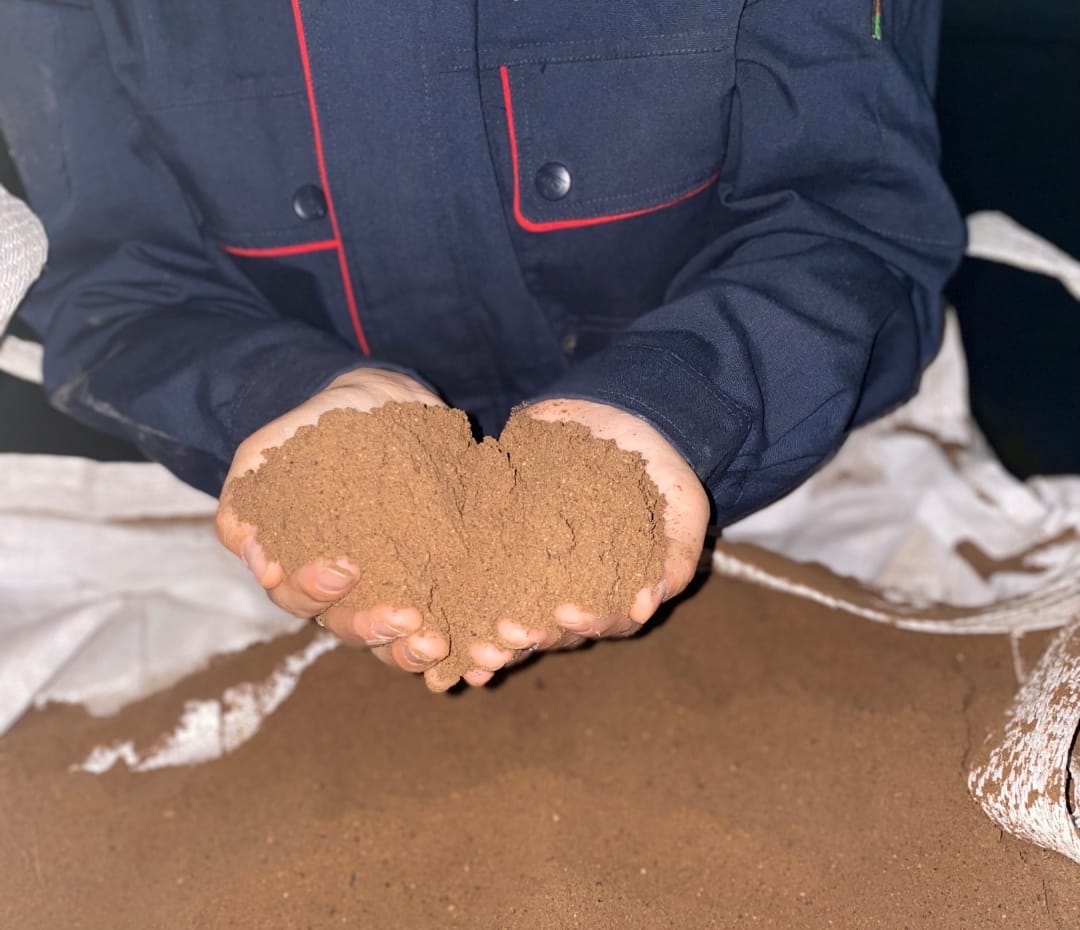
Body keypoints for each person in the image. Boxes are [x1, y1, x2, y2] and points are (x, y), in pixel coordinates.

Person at [0, 0, 964, 689]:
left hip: (784, 473)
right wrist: (284, 403)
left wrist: (679, 404)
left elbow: (858, 216)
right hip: (238, 566)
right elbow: (112, 283)